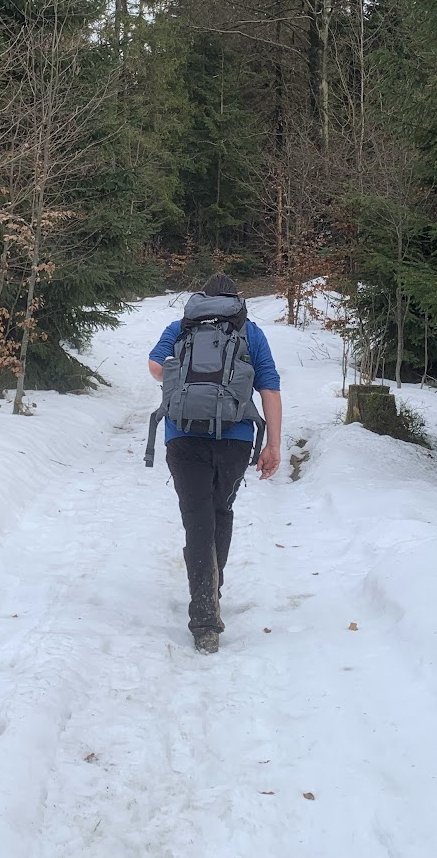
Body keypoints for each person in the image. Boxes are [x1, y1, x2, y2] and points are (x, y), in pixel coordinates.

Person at [147, 273, 283, 654]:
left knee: (196, 518)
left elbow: (157, 367)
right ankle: (212, 588)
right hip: (235, 438)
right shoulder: (250, 333)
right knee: (220, 510)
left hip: (183, 434)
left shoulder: (180, 326)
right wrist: (272, 445)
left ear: (203, 299)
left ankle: (204, 618)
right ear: (236, 301)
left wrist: (185, 383)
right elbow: (269, 386)